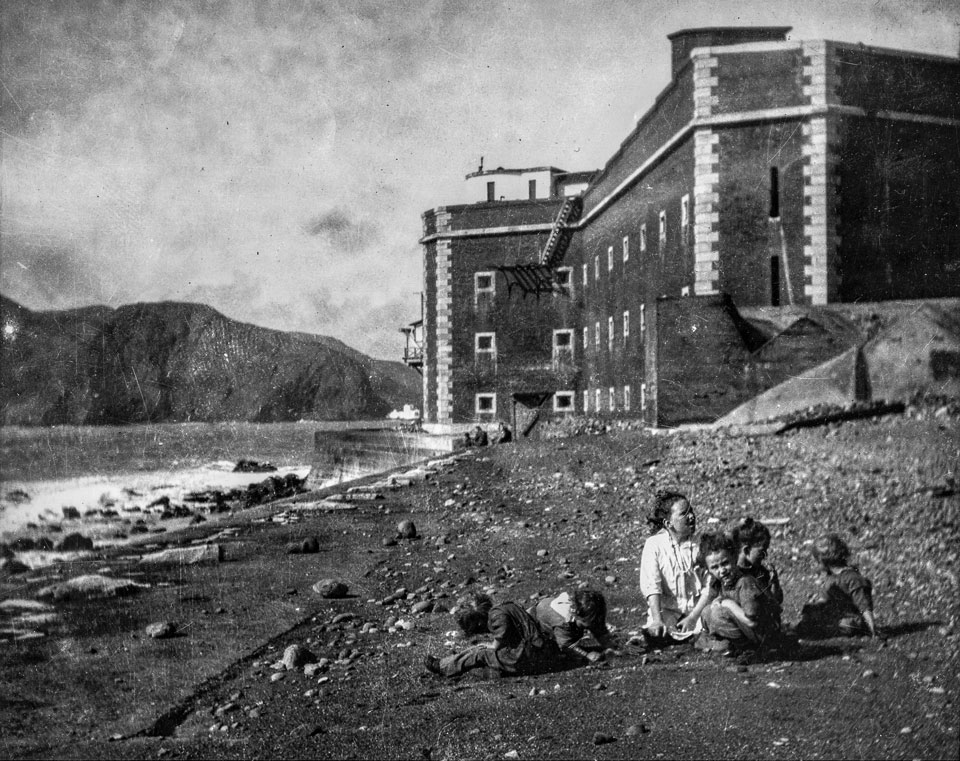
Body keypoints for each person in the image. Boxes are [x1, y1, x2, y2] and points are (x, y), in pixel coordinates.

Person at [424, 593, 560, 677]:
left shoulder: (496, 614)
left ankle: (442, 666)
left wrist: (493, 645)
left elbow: (501, 633)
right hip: (537, 650)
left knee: (480, 652)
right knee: (484, 651)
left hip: (527, 655)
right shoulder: (505, 606)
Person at [638, 490, 710, 644]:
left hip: (698, 610)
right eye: (684, 514)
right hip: (668, 612)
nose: (691, 517)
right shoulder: (654, 545)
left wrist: (692, 617)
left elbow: (709, 586)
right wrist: (657, 620)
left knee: (713, 620)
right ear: (668, 523)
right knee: (656, 632)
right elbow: (652, 586)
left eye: (691, 511)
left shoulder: (702, 544)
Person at [698, 531, 781, 655]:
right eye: (715, 567)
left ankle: (748, 648)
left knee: (718, 613)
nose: (722, 570)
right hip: (748, 630)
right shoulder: (717, 582)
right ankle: (733, 645)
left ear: (734, 558)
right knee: (707, 611)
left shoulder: (745, 582)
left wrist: (728, 603)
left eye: (725, 563)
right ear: (708, 570)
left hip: (764, 633)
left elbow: (752, 621)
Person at [795, 533, 879, 639]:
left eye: (817, 560)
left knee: (846, 624)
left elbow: (864, 605)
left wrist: (873, 629)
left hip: (852, 618)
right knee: (811, 612)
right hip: (836, 615)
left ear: (823, 560)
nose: (816, 564)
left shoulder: (852, 578)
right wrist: (814, 608)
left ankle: (819, 629)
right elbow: (824, 599)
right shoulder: (831, 577)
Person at [532, 589, 617, 663]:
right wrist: (586, 655)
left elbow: (599, 630)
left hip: (547, 611)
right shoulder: (563, 621)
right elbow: (565, 645)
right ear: (578, 616)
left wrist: (610, 646)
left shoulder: (583, 612)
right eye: (593, 622)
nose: (596, 624)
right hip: (535, 627)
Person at [731, 517, 784, 629]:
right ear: (746, 551)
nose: (765, 555)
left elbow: (776, 601)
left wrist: (774, 583)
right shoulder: (732, 574)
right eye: (762, 551)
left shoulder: (761, 571)